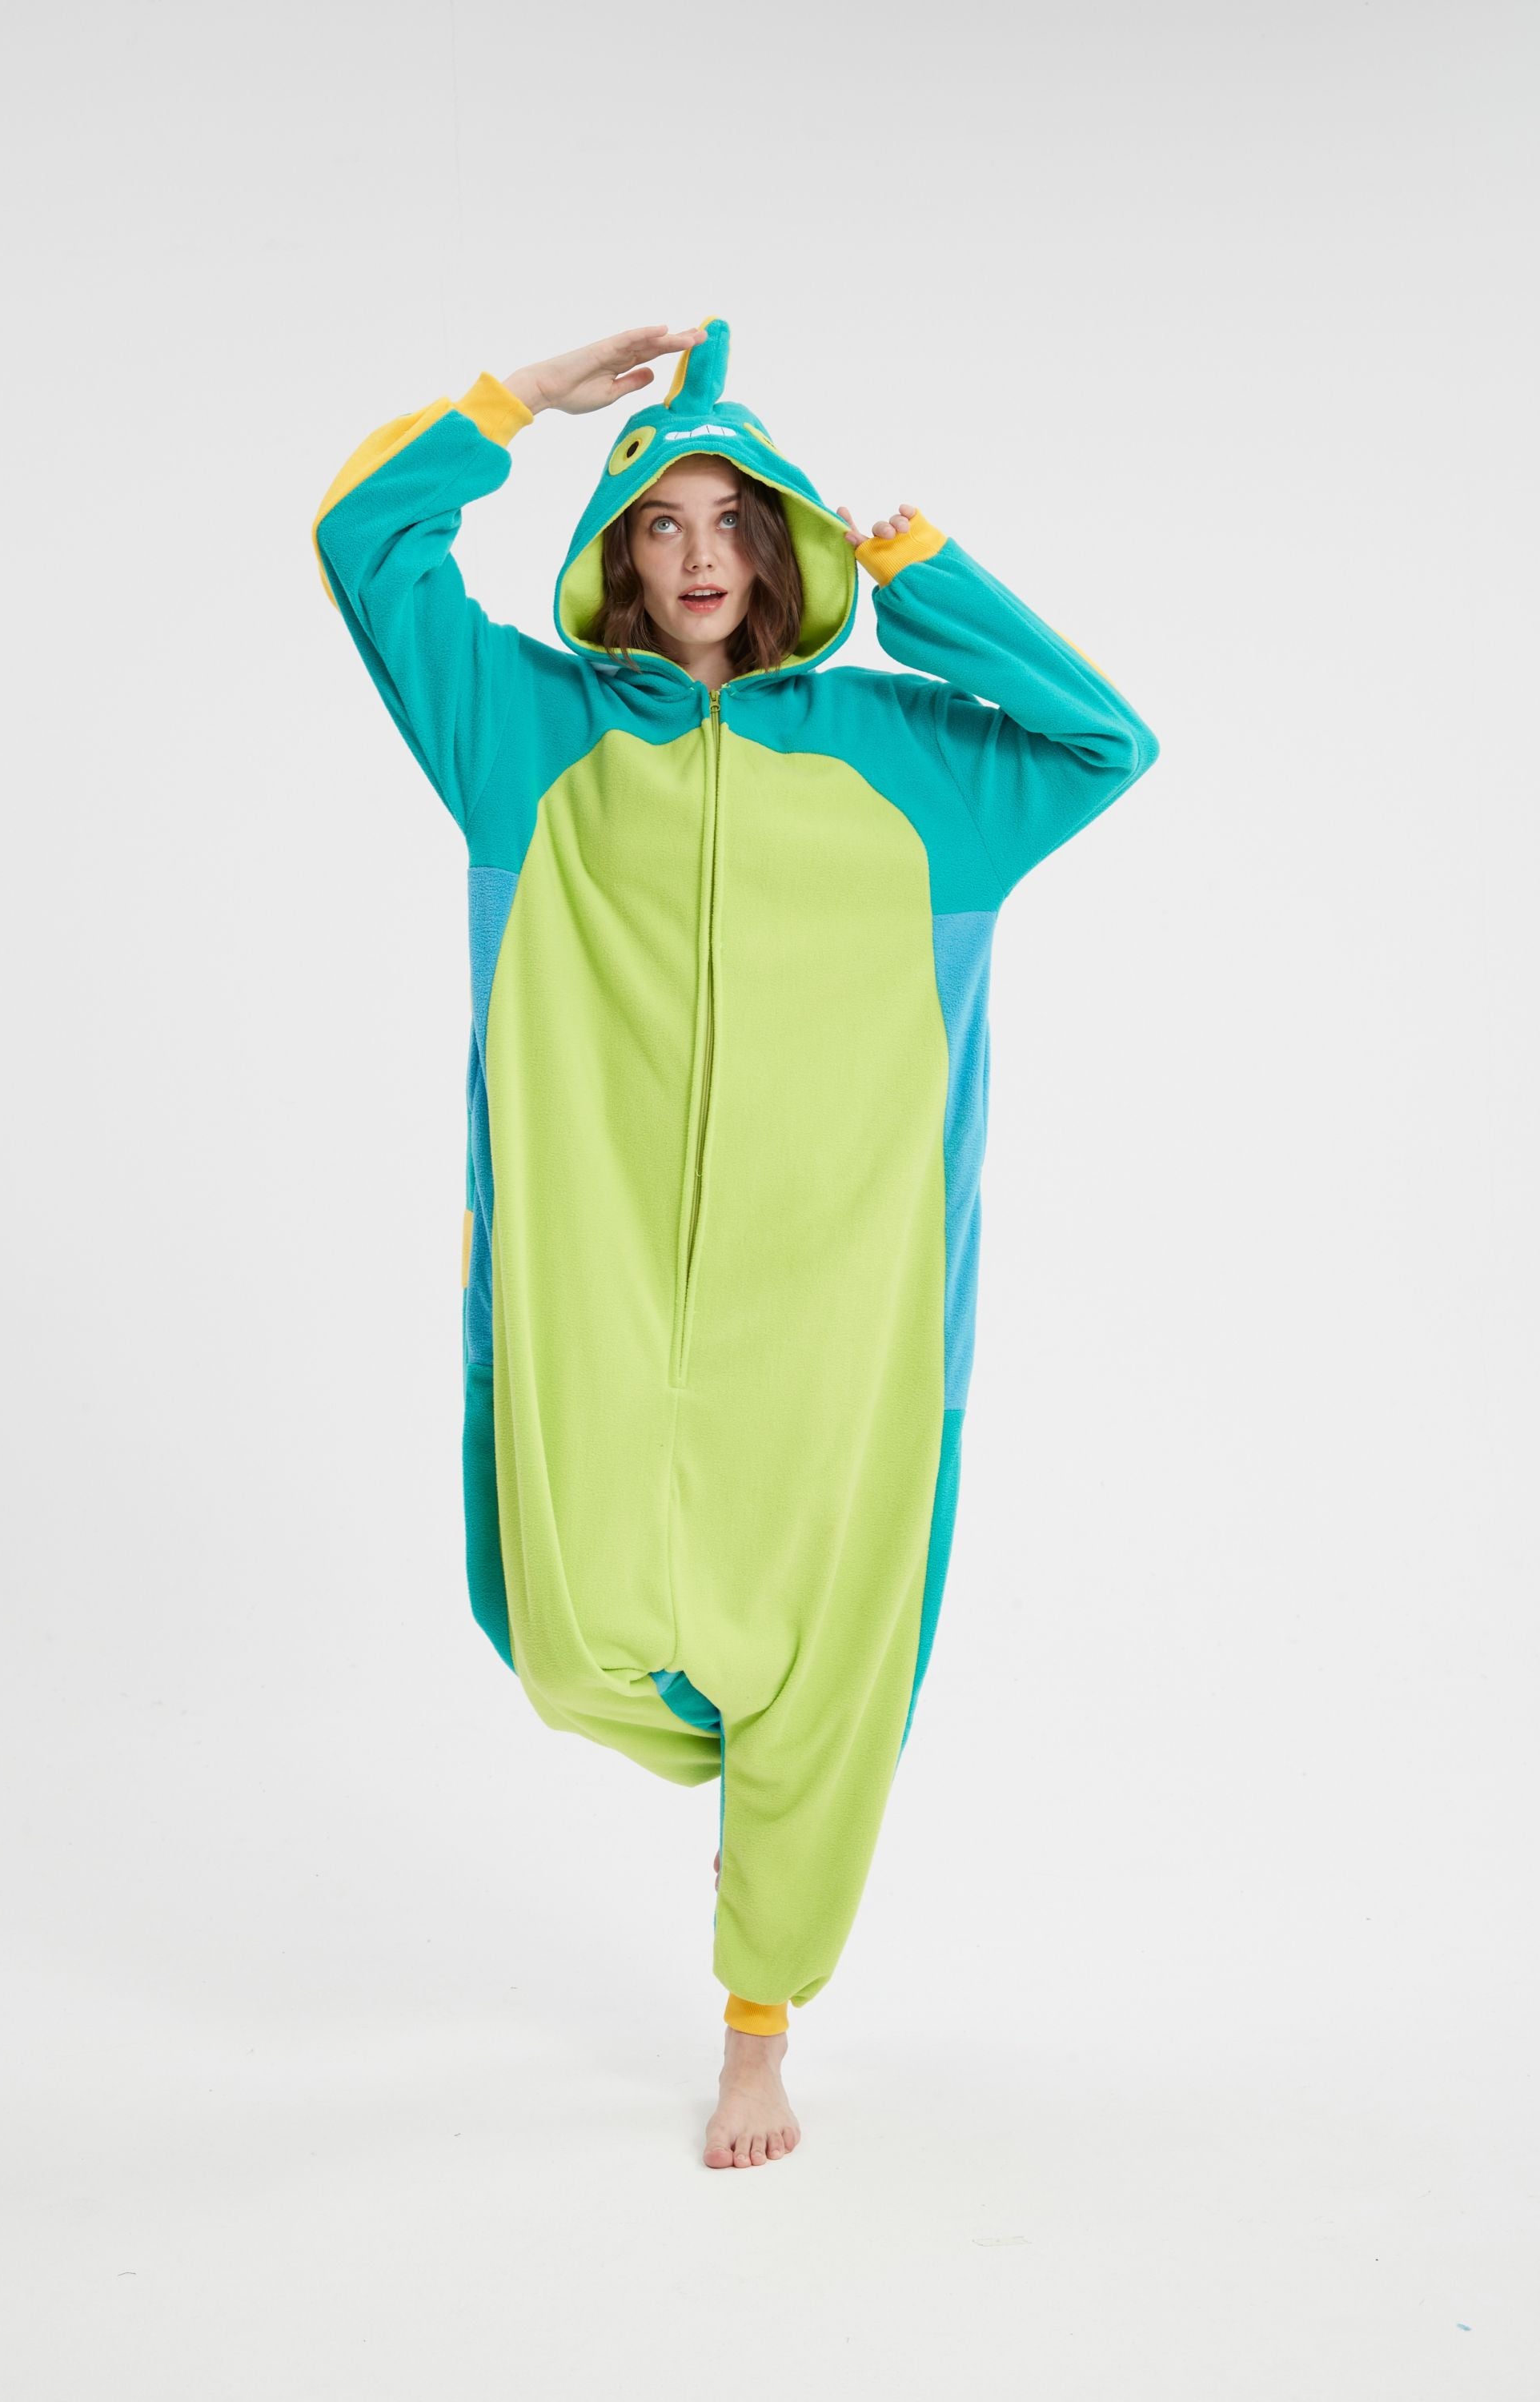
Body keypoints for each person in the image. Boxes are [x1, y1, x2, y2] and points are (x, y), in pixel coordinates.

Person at [311, 318, 1160, 2170]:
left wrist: (921, 578)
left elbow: (1107, 740)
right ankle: (742, 1769)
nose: (698, 555)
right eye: (660, 522)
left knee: (833, 1672)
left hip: (845, 1302)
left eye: (734, 520)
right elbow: (364, 540)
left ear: (784, 548)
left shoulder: (907, 760)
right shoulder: (522, 733)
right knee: (560, 1639)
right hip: (591, 1267)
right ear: (614, 556)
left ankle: (758, 2022)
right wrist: (515, 403)